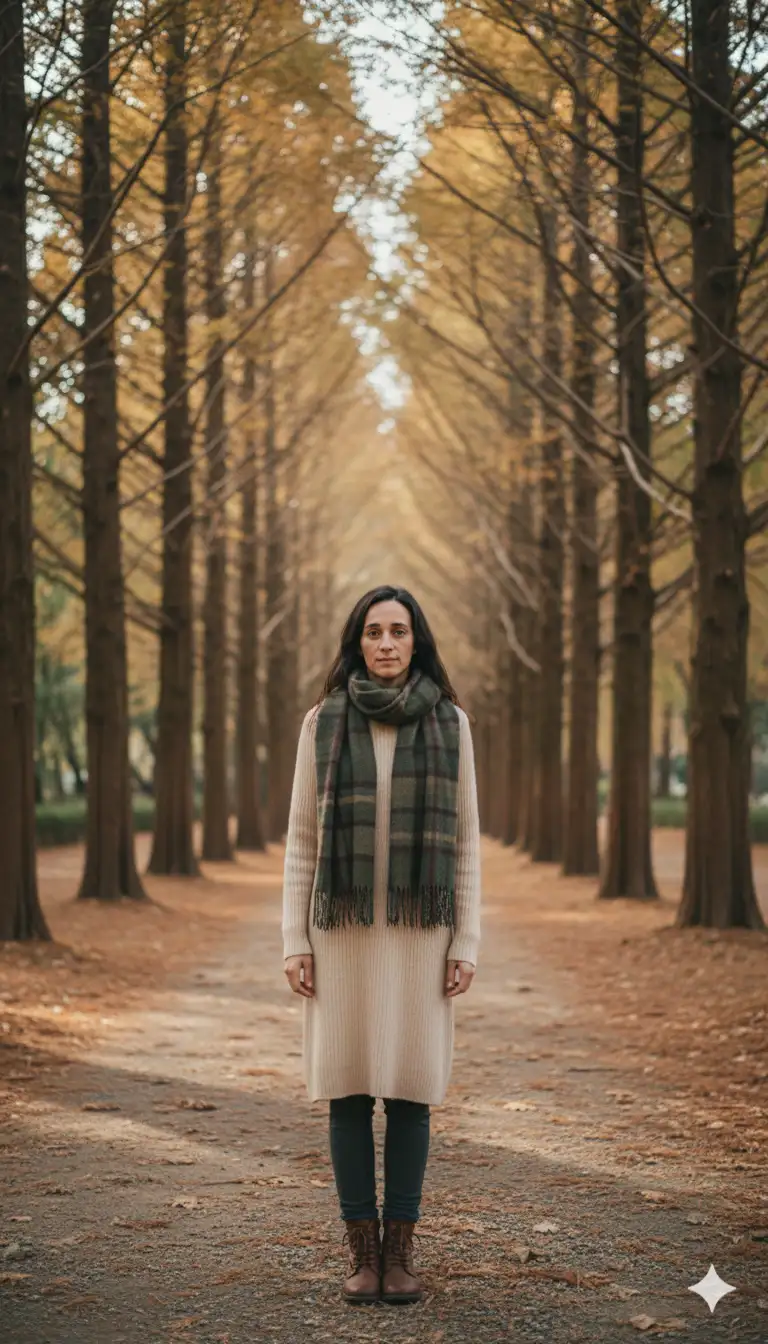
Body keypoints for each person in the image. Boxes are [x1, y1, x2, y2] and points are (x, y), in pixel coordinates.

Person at [281, 584, 482, 1306]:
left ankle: (401, 1256)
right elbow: (302, 840)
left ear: (417, 640)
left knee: (411, 1092)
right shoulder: (322, 723)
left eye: (399, 631)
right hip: (341, 936)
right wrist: (293, 940)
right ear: (357, 642)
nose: (387, 643)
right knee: (347, 1090)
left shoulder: (453, 725)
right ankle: (360, 1256)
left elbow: (464, 845)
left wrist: (467, 940)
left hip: (421, 935)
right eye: (374, 632)